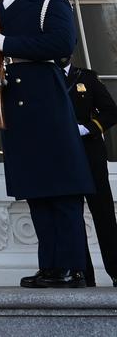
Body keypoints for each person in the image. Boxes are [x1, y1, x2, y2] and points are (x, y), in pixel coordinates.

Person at [0, 0, 93, 288]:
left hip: (46, 103)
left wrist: (8, 45)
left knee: (63, 189)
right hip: (14, 104)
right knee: (38, 191)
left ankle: (73, 266)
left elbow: (60, 42)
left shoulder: (49, 2)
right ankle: (51, 267)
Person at [61, 57, 117, 286]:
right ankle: (82, 274)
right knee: (71, 216)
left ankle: (115, 269)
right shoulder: (46, 78)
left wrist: (87, 128)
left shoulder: (87, 77)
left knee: (103, 213)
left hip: (90, 153)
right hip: (62, 156)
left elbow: (111, 111)